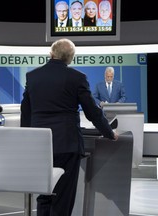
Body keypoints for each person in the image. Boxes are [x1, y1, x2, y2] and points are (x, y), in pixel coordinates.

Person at [20, 38, 118, 216]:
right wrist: (109, 132)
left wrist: (27, 140)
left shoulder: (32, 76)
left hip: (39, 145)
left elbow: (25, 111)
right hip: (67, 144)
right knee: (63, 197)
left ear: (51, 54)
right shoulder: (77, 78)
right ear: (70, 58)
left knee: (44, 194)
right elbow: (92, 112)